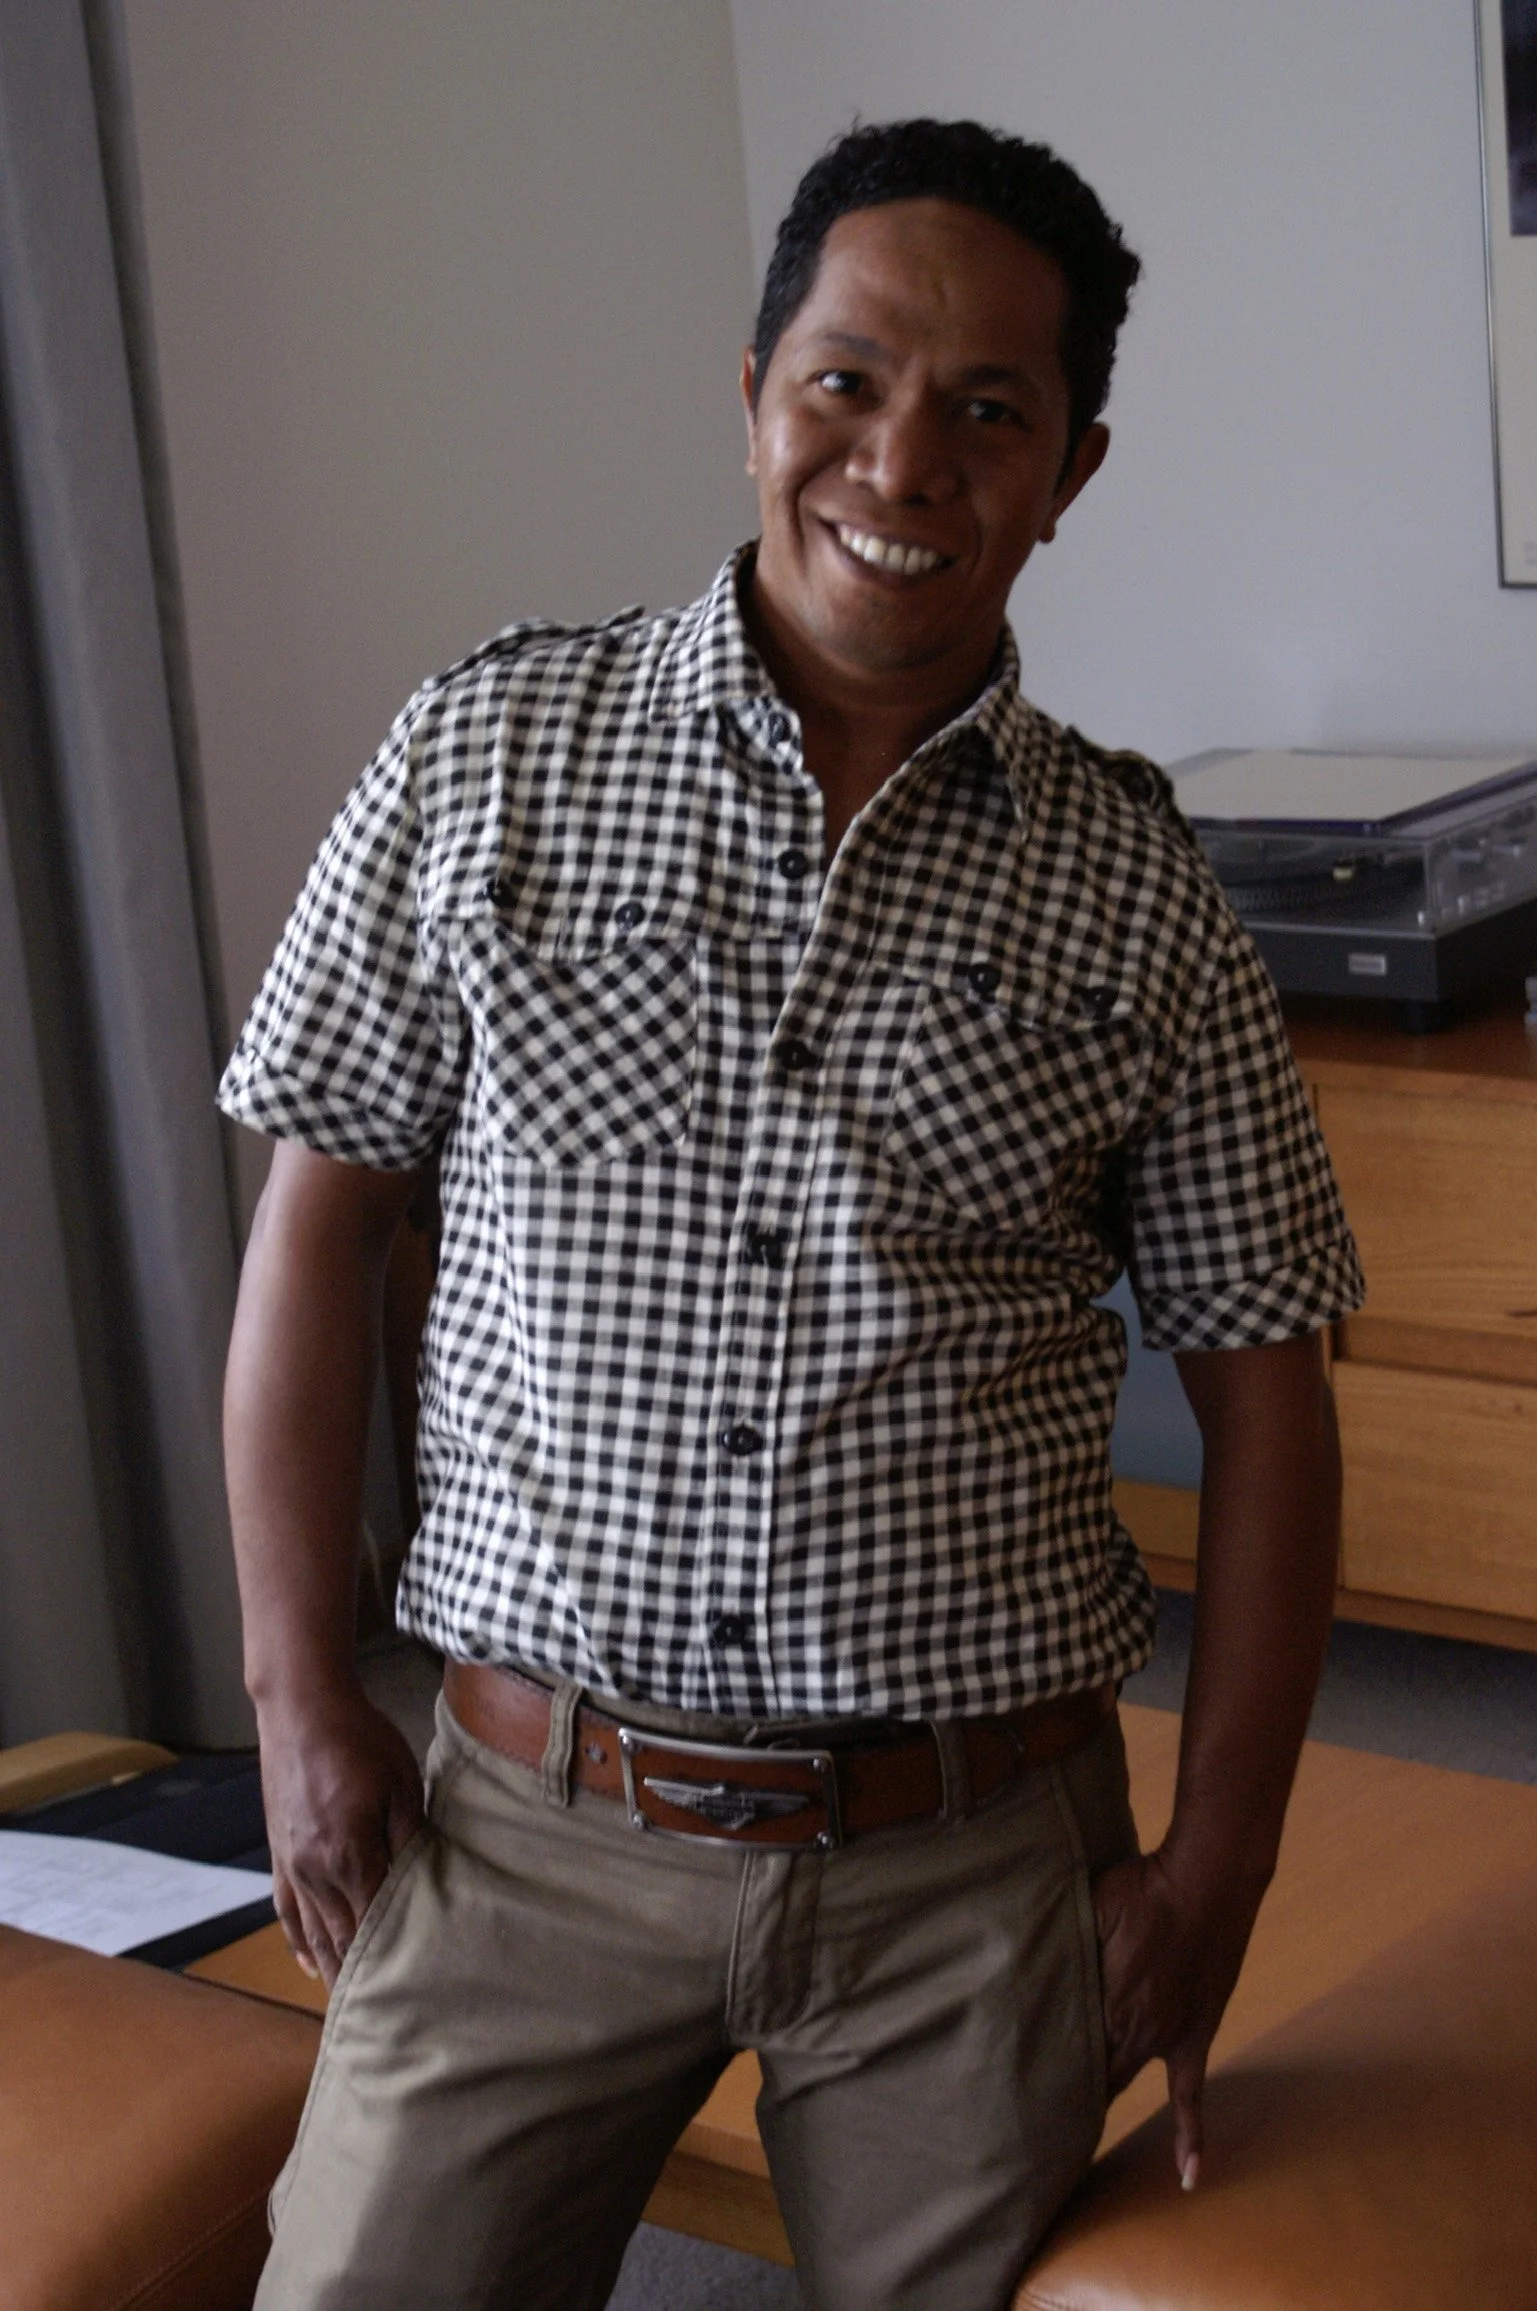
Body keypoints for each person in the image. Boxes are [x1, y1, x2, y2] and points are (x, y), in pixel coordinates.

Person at [222, 118, 1362, 2311]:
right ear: (749, 396)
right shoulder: (486, 757)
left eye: (989, 412)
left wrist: (1224, 1858)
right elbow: (313, 1225)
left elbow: (1270, 1396)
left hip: (968, 1861)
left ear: (1071, 470)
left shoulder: (1140, 889)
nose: (904, 461)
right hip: (527, 1825)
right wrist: (292, 1690)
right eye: (847, 381)